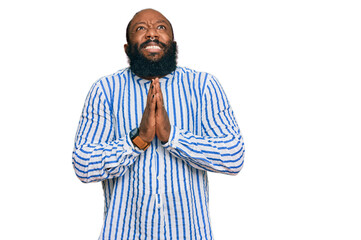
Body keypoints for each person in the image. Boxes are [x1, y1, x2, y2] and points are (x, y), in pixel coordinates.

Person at [72, 8, 245, 240]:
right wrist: (138, 140)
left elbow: (233, 157)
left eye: (161, 27)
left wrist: (172, 137)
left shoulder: (204, 86)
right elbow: (83, 165)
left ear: (173, 44)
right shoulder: (105, 91)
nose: (152, 33)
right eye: (140, 28)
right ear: (127, 48)